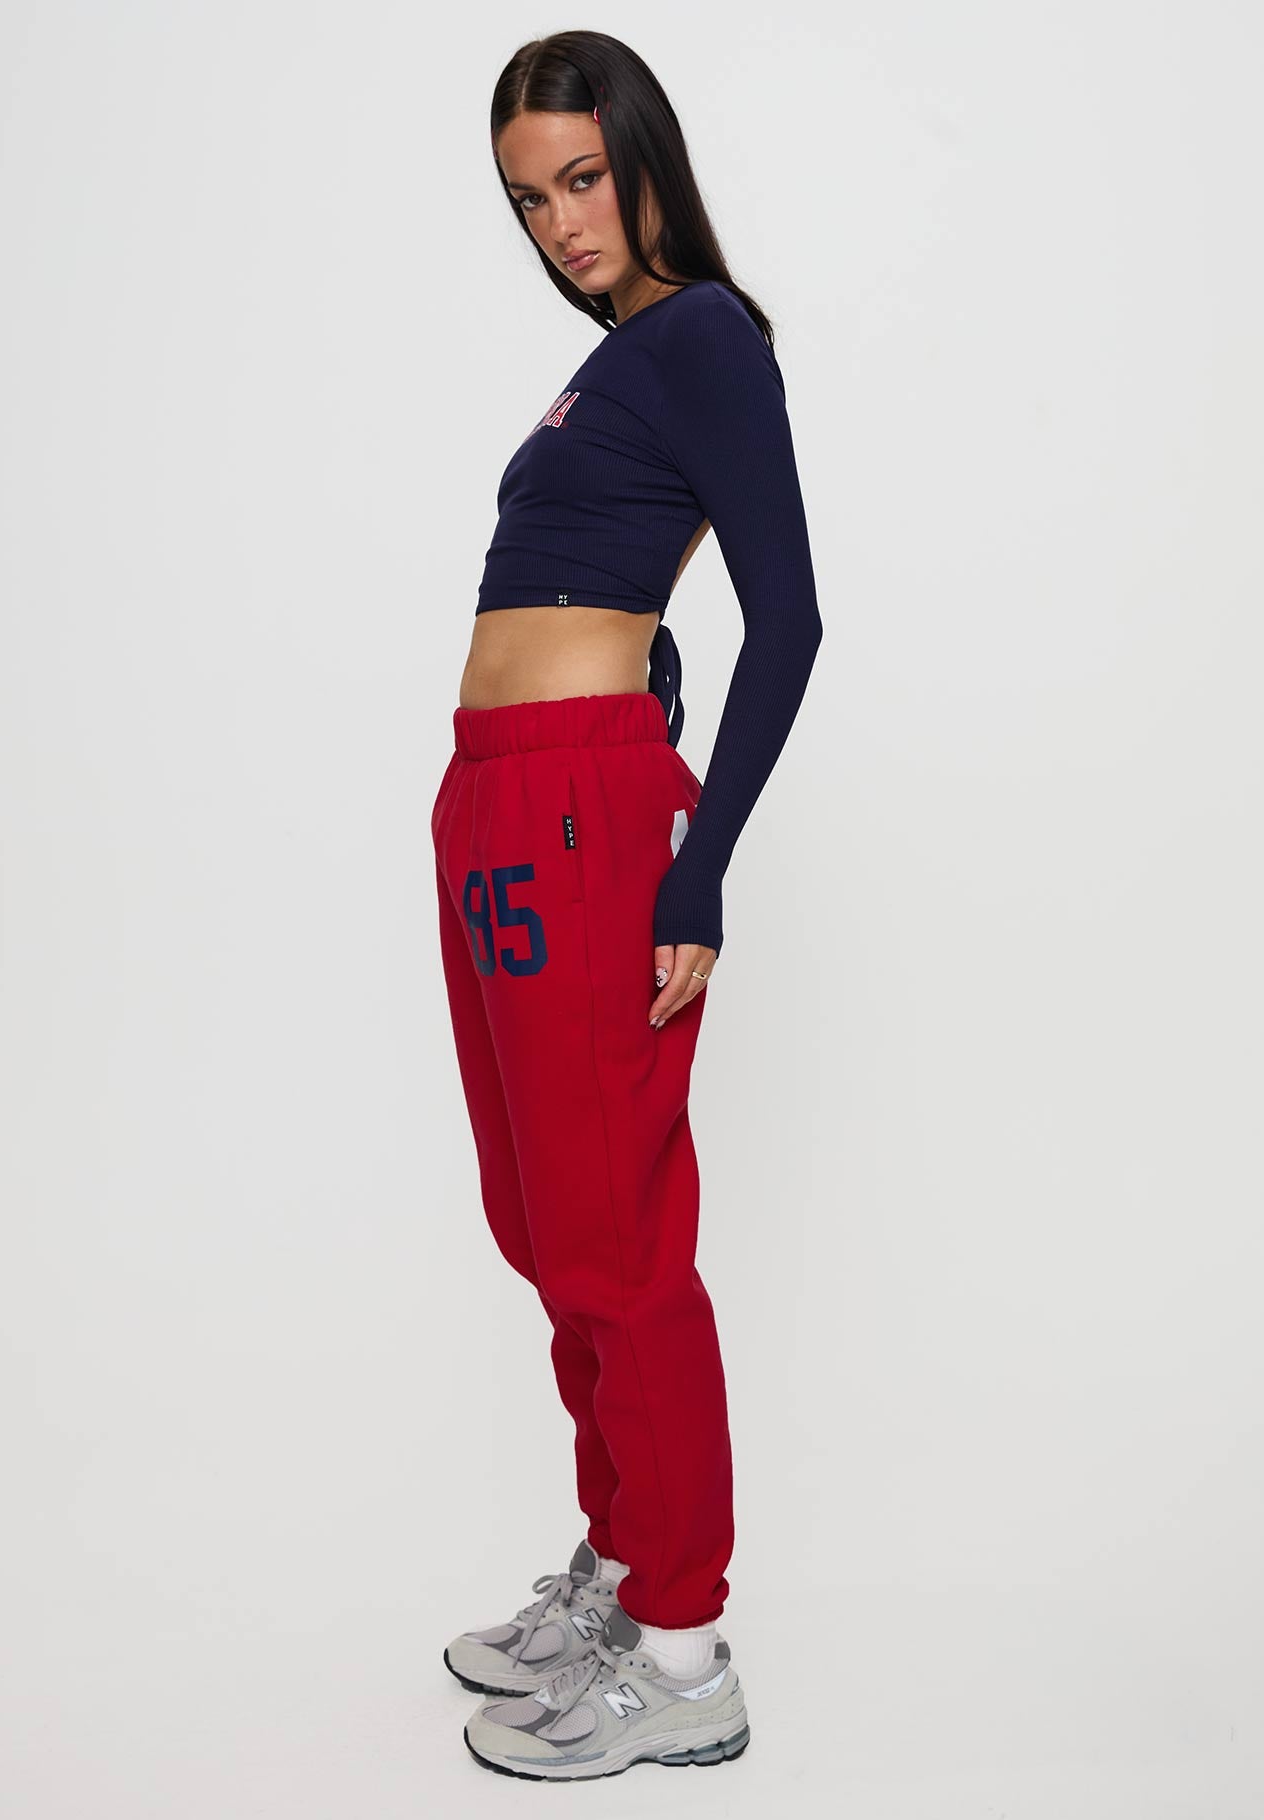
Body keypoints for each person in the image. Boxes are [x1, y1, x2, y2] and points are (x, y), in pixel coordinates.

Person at [429, 29, 822, 1781]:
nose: (562, 223)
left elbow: (789, 616)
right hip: (502, 800)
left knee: (619, 1236)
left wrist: (698, 860)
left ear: (644, 156)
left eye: (582, 178)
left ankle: (683, 1651)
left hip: (585, 816)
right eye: (530, 198)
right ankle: (619, 1565)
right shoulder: (610, 370)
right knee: (544, 1217)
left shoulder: (706, 334)